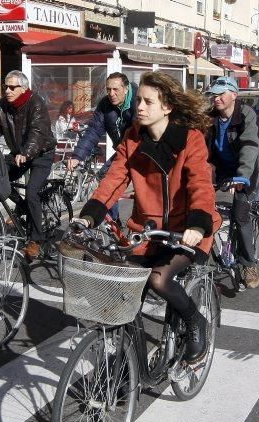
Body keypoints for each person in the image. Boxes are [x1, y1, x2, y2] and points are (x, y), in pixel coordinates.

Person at [74, 71, 221, 364]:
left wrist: (197, 223)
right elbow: (114, 181)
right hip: (146, 233)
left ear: (166, 107)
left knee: (158, 279)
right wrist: (88, 217)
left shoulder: (190, 140)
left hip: (185, 232)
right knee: (124, 291)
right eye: (138, 100)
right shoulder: (133, 138)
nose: (139, 107)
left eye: (148, 101)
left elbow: (200, 186)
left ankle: (196, 322)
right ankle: (122, 364)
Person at [0, 70, 56, 260]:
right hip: (18, 154)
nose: (7, 90)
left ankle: (35, 240)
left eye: (12, 87)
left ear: (23, 89)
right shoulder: (4, 106)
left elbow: (37, 131)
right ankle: (23, 207)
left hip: (41, 153)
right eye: (6, 86)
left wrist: (26, 152)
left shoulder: (36, 102)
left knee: (32, 192)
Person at [204, 76, 259, 289]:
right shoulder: (210, 117)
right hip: (221, 169)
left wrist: (242, 176)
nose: (216, 98)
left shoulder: (246, 114)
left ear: (234, 95)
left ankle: (248, 263)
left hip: (246, 171)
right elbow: (199, 146)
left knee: (240, 214)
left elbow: (249, 145)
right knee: (201, 208)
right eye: (214, 94)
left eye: (221, 94)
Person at [66, 72, 138, 223]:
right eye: (108, 89)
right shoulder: (105, 105)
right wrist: (77, 156)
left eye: (115, 89)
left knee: (143, 188)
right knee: (105, 178)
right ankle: (113, 221)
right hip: (123, 151)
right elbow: (93, 131)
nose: (111, 94)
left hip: (142, 151)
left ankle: (140, 223)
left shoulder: (138, 102)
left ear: (126, 89)